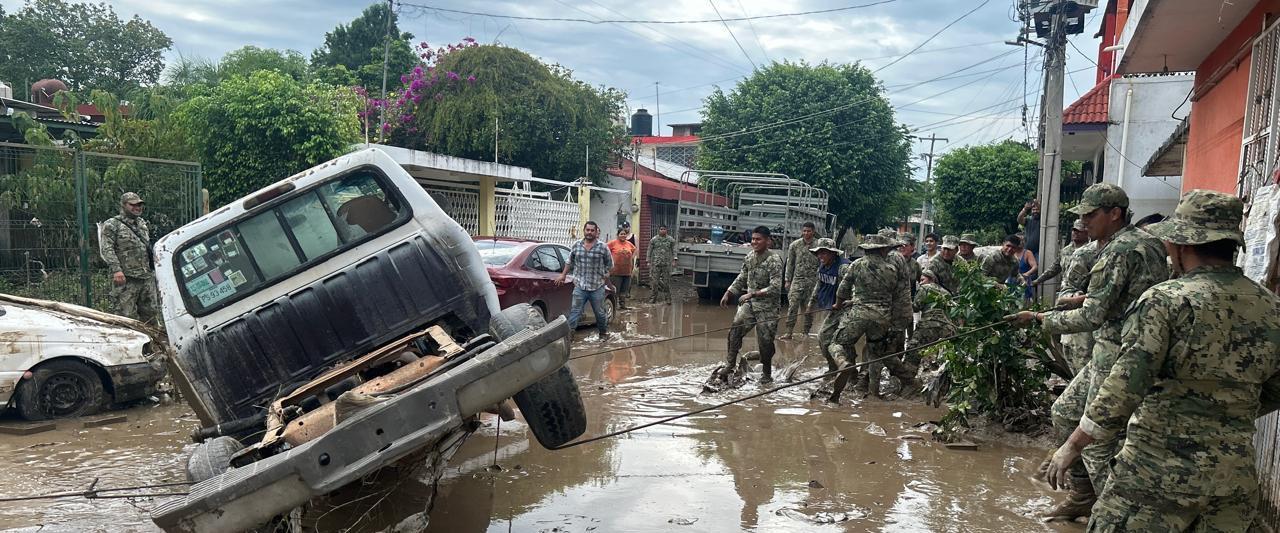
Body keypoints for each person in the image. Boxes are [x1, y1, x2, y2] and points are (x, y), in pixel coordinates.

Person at [1046, 190, 1280, 531]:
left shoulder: (1166, 301)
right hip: (1231, 481)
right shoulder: (1271, 307)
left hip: (1154, 476)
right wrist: (1223, 411)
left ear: (1182, 245)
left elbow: (1123, 387)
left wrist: (1071, 445)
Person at [1007, 183, 1169, 517]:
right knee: (1064, 413)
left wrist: (1038, 318)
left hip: (1118, 354)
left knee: (1096, 440)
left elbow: (1093, 314)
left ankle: (1116, 515)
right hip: (1114, 351)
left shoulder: (1120, 250)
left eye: (1090, 214)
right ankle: (1084, 496)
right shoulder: (1144, 243)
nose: (1084, 221)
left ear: (1115, 214)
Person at [823, 233, 898, 403]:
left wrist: (837, 304)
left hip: (860, 313)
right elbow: (893, 293)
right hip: (882, 316)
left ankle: (843, 363)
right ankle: (873, 393)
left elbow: (843, 289)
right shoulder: (891, 269)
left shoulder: (857, 264)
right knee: (875, 354)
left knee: (836, 343)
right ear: (882, 249)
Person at [718, 226, 784, 385]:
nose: (754, 242)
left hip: (768, 306)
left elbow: (776, 287)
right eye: (753, 239)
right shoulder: (749, 257)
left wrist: (753, 293)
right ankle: (730, 364)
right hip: (750, 304)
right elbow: (742, 276)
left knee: (765, 341)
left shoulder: (774, 260)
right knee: (735, 328)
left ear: (768, 241)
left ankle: (767, 373)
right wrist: (729, 292)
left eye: (758, 239)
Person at [100, 192, 159, 326]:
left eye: (139, 205)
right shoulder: (112, 225)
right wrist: (116, 270)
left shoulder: (142, 223)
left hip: (146, 278)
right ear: (123, 205)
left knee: (151, 316)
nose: (137, 207)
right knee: (125, 318)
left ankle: (153, 345)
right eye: (133, 205)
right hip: (127, 279)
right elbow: (107, 249)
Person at [557, 221, 614, 341]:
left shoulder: (602, 247)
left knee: (599, 313)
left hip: (597, 286)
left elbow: (610, 265)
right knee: (575, 312)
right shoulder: (576, 245)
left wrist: (606, 276)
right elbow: (569, 261)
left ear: (596, 232)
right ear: (584, 231)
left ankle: (603, 334)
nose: (589, 232)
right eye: (587, 230)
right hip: (580, 286)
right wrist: (563, 275)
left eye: (592, 230)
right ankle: (570, 336)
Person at [807, 238, 850, 374]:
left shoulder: (843, 268)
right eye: (819, 253)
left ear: (833, 253)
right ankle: (834, 367)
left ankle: (850, 371)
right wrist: (811, 304)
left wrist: (851, 301)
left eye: (824, 253)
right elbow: (819, 285)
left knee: (841, 340)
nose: (820, 256)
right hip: (833, 308)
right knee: (823, 337)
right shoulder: (822, 266)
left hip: (847, 309)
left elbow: (858, 286)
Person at [905, 269, 956, 374]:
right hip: (948, 328)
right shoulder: (947, 292)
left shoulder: (925, 288)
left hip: (929, 325)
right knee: (944, 356)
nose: (920, 283)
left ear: (931, 279)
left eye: (922, 280)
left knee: (913, 350)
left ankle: (908, 379)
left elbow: (916, 307)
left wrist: (906, 302)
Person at [781, 222, 820, 339]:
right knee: (793, 306)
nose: (806, 233)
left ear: (813, 232)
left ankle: (806, 332)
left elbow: (823, 262)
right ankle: (789, 332)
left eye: (809, 231)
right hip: (797, 280)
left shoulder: (818, 245)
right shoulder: (795, 245)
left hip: (813, 281)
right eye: (804, 231)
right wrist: (787, 280)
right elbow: (790, 263)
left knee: (808, 308)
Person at [1034, 219, 1089, 286]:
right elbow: (1054, 269)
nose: (1076, 233)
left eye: (1079, 231)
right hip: (1066, 290)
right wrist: (1037, 281)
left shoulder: (1091, 250)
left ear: (1086, 233)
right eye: (1074, 230)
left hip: (1083, 291)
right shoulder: (1065, 251)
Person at [607, 228, 637, 309]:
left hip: (627, 271)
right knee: (616, 288)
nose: (623, 235)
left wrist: (632, 258)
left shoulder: (629, 244)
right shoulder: (613, 243)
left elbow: (635, 250)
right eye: (621, 234)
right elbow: (605, 250)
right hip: (616, 271)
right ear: (618, 235)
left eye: (624, 234)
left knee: (624, 289)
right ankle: (614, 305)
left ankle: (622, 304)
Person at [647, 224, 677, 304]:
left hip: (666, 264)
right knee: (654, 282)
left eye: (664, 229)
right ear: (658, 230)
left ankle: (668, 298)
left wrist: (674, 260)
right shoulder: (654, 240)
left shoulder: (670, 240)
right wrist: (648, 261)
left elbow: (674, 250)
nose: (662, 230)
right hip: (656, 264)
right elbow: (649, 250)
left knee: (666, 282)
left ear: (666, 230)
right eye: (661, 229)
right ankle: (653, 298)